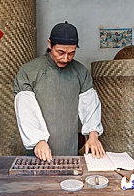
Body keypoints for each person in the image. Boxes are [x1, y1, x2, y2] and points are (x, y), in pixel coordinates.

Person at [13, 21, 105, 161]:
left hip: (70, 147)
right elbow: (26, 110)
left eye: (71, 53)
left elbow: (90, 106)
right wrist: (38, 140)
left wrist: (93, 135)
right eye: (60, 52)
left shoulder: (80, 72)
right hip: (40, 149)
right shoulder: (29, 71)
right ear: (50, 44)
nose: (65, 58)